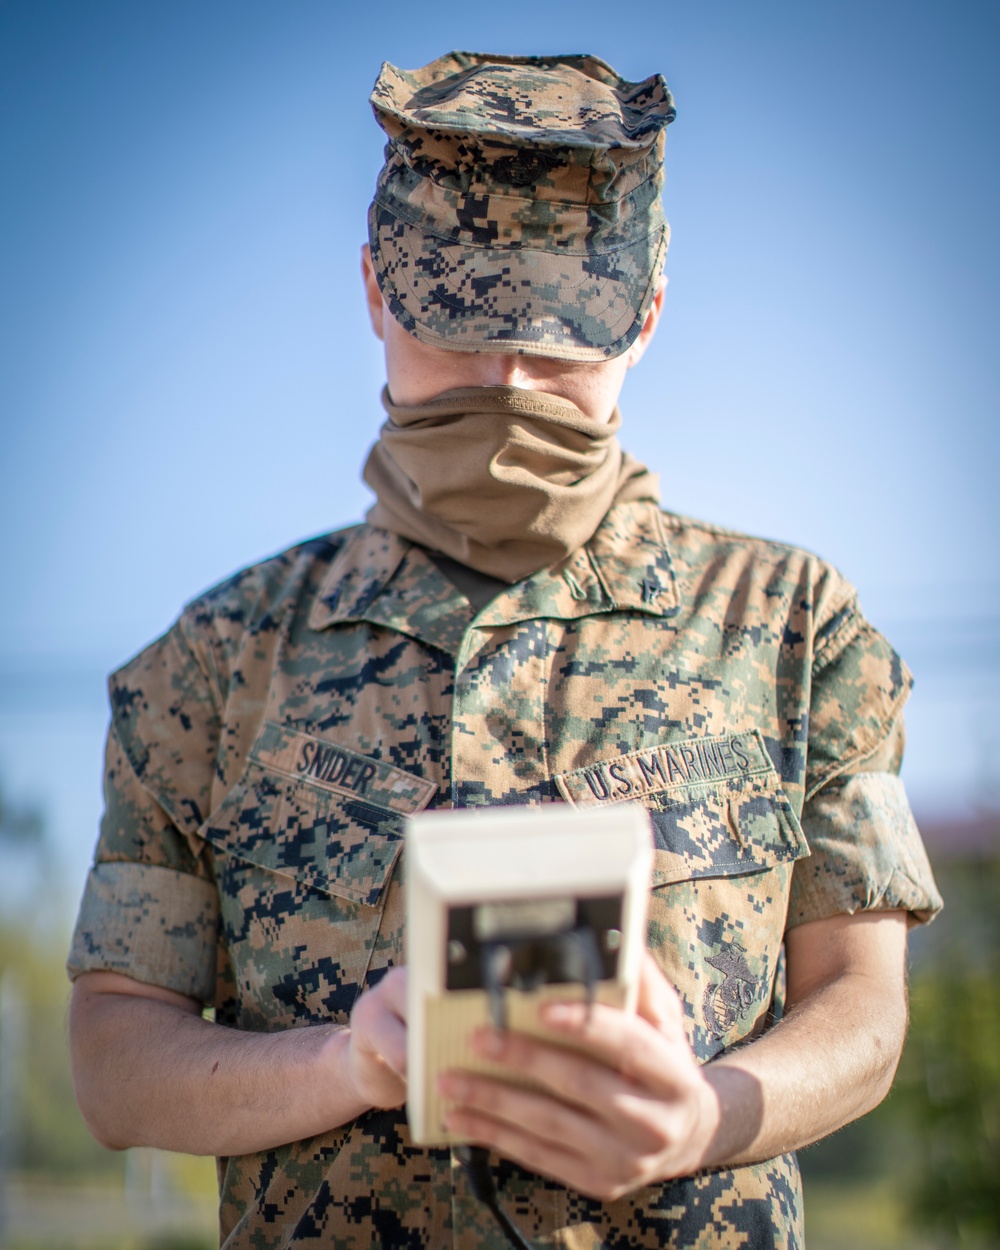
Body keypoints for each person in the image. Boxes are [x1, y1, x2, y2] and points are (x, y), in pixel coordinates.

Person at [67, 51, 941, 1250]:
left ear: (647, 312)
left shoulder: (794, 629)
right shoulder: (214, 666)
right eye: (459, 331)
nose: (510, 385)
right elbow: (116, 1061)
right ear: (376, 290)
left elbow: (864, 1011)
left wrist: (703, 1116)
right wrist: (353, 1060)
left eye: (559, 342)